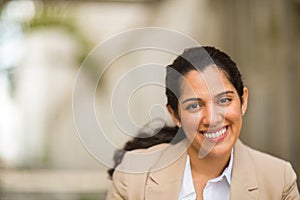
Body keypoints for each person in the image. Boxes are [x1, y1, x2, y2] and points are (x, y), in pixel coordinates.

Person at [106, 46, 300, 199]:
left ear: (243, 101)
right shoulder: (133, 175)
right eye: (194, 106)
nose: (212, 118)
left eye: (224, 100)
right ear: (175, 115)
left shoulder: (278, 179)